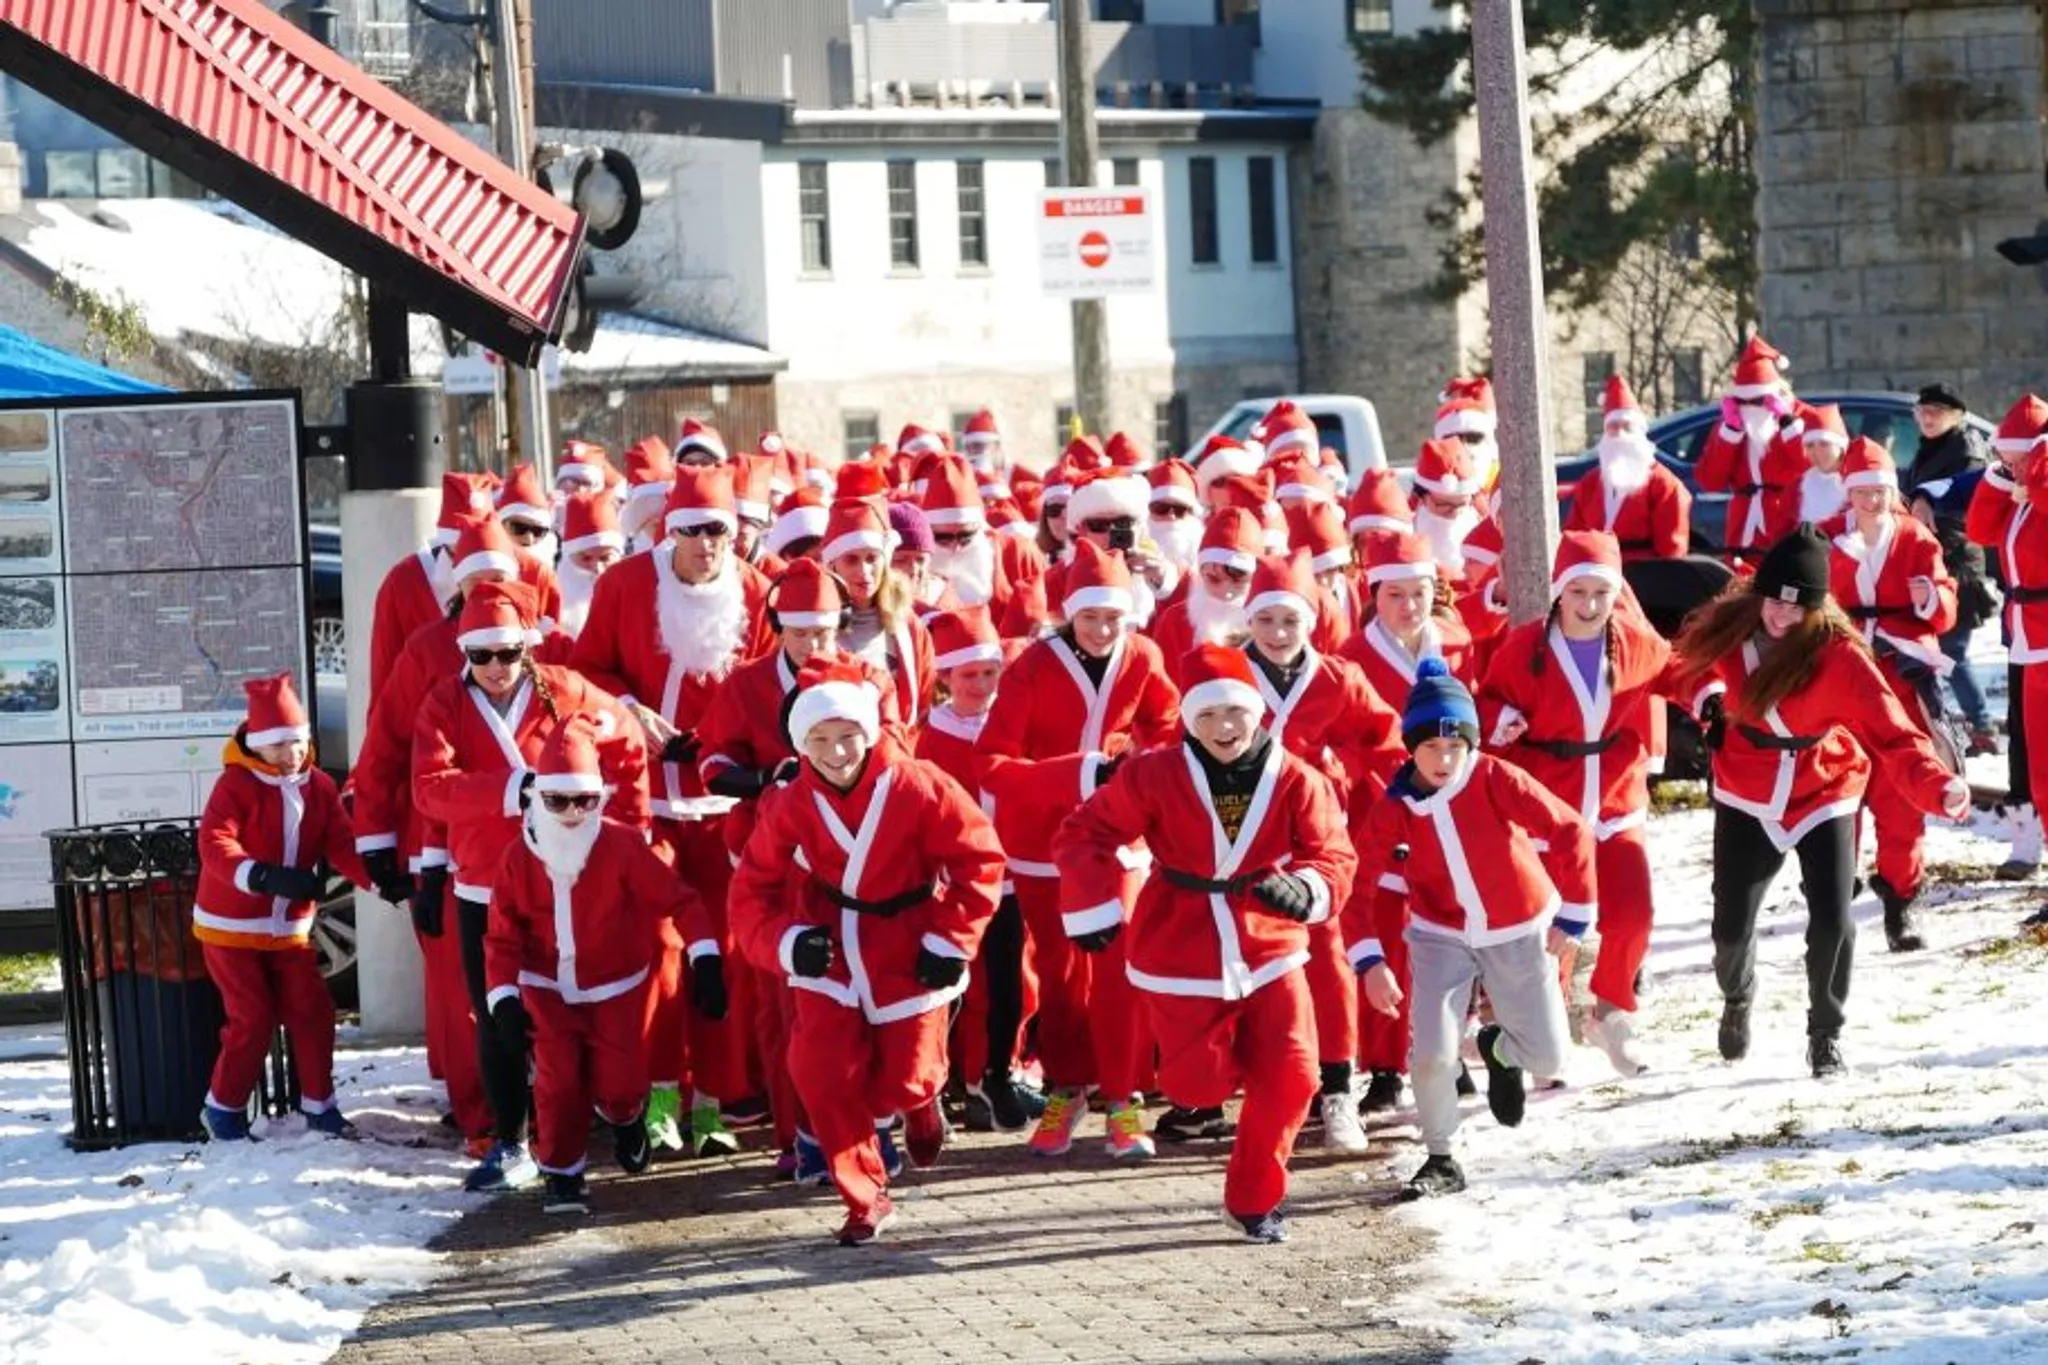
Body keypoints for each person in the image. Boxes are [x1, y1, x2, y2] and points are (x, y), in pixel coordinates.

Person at [1056, 644, 1356, 1242]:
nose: (1225, 727)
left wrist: (1306, 888)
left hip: (1269, 944)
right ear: (1189, 719)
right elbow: (1084, 831)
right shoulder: (1151, 772)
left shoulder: (1297, 778)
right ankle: (1213, 1076)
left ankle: (1253, 1202)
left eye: (1236, 713)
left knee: (1295, 1076)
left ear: (1258, 713)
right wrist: (1092, 902)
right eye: (1209, 715)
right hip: (1180, 945)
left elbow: (1334, 853)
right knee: (1198, 1085)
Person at [729, 653, 1004, 1245]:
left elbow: (979, 861)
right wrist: (785, 943)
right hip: (828, 944)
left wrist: (952, 938)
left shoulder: (920, 785)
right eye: (820, 739)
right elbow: (751, 890)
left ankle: (923, 1102)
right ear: (802, 742)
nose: (836, 752)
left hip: (910, 940)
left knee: (902, 1082)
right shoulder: (790, 804)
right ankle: (863, 1195)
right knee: (819, 1069)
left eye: (849, 736)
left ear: (871, 730)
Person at [1673, 528, 1970, 1078]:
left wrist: (1937, 785)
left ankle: (1825, 1032)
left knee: (1833, 920)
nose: (1782, 616)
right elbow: (1676, 669)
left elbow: (1894, 734)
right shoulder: (1728, 627)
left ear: (1818, 608)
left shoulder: (1840, 655)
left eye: (1798, 606)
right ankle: (1738, 995)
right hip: (1747, 785)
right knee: (1730, 928)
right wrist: (1708, 697)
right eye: (1775, 600)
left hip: (1824, 786)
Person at [413, 581, 650, 1190]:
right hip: (484, 889)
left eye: (507, 653)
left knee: (588, 1010)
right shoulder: (442, 702)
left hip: (565, 885)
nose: (494, 668)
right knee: (497, 1018)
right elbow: (429, 790)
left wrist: (626, 831)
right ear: (463, 653)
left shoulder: (567, 690)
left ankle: (614, 1111)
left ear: (528, 648)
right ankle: (510, 1140)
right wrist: (513, 790)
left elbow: (625, 744)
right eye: (480, 655)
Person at [571, 464, 773, 1159]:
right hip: (645, 802)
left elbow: (772, 687)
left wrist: (735, 748)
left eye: (719, 530)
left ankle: (712, 1104)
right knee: (658, 954)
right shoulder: (625, 586)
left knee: (722, 955)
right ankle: (661, 1098)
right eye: (692, 532)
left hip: (721, 808)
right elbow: (585, 670)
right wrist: (630, 713)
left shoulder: (753, 590)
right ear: (667, 531)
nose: (707, 545)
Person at [1345, 657, 1594, 1199]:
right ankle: (1440, 1157)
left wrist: (1575, 911)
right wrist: (1370, 962)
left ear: (1471, 744)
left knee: (1551, 1057)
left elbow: (1570, 829)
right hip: (1438, 935)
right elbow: (1357, 886)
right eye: (1431, 747)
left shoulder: (1495, 778)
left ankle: (1500, 1049)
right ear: (1411, 747)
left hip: (1517, 926)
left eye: (1455, 745)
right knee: (1431, 1050)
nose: (1444, 758)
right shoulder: (1394, 808)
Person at [977, 538, 1181, 1159]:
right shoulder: (1032, 667)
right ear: (1069, 614)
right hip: (1041, 844)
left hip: (1119, 840)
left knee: (1118, 969)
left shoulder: (1142, 656)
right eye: (1089, 617)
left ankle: (1121, 1099)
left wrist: (1143, 770)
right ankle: (1068, 1086)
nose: (1100, 629)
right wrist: (1080, 771)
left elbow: (1169, 726)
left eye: (1113, 617)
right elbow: (991, 765)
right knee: (1063, 978)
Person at [483, 719, 711, 1213]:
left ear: (599, 799)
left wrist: (706, 956)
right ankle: (563, 1174)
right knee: (558, 1080)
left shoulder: (623, 845)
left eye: (583, 800)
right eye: (557, 800)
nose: (570, 813)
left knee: (622, 1081)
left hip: (615, 987)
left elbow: (680, 900)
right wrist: (503, 999)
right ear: (538, 798)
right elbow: (501, 936)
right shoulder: (517, 856)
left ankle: (627, 1116)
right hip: (546, 987)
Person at [1478, 532, 1678, 1077]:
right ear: (1559, 593)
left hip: (1616, 797)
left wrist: (1710, 700)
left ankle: (1610, 1012)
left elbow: (1680, 672)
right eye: (1578, 592)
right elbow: (1486, 700)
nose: (1589, 606)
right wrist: (1499, 721)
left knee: (1634, 913)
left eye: (1601, 594)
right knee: (1555, 925)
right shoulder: (1524, 649)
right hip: (1553, 806)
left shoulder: (1632, 642)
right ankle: (1542, 1033)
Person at [1236, 551, 1400, 1150]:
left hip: (1319, 842)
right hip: (1241, 841)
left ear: (1313, 622)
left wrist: (1356, 770)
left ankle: (1337, 1090)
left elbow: (1385, 743)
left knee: (1330, 961)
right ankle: (1261, 1087)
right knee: (1247, 965)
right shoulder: (1226, 672)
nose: (1279, 635)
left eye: (1291, 621)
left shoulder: (1338, 678)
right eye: (1267, 621)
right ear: (1249, 622)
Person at [1339, 529, 1478, 1115]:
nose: (1409, 606)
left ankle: (1447, 1051)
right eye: (1394, 594)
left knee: (1450, 936)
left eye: (1419, 593)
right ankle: (1386, 1066)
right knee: (1385, 936)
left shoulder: (1457, 643)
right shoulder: (1351, 658)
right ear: (1375, 596)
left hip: (1448, 812)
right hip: (1380, 811)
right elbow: (1346, 741)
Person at [195, 675, 370, 1141]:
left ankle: (320, 1104)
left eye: (296, 742)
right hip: (230, 927)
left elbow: (340, 842)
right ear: (256, 745)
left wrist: (379, 880)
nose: (290, 753)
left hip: (288, 928)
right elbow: (214, 843)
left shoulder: (318, 786)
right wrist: (260, 875)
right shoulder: (235, 785)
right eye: (277, 745)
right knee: (251, 1017)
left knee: (313, 1010)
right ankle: (224, 1108)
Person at [1828, 437, 1958, 952]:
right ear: (1849, 495)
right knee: (1839, 789)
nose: (1873, 502)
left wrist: (1932, 600)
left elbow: (1945, 603)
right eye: (1862, 492)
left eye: (1880, 492)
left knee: (1902, 792)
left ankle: (1902, 901)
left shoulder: (1915, 539)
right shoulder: (1829, 543)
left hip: (1903, 677)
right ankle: (1834, 891)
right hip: (1847, 680)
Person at [914, 606, 1039, 1132]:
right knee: (964, 983)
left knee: (1014, 979)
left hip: (1010, 876)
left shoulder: (1013, 723)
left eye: (990, 673)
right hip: (956, 881)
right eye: (969, 675)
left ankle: (999, 1071)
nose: (982, 685)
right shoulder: (930, 735)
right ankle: (959, 1079)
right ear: (945, 677)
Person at [1967, 394, 2048, 918]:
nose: (2010, 464)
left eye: (2019, 456)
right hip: (2027, 640)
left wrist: (2035, 471)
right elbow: (1978, 530)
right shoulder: (2021, 496)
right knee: (2041, 769)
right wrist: (2003, 477)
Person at [1904, 384, 1997, 754]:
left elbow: (1972, 504)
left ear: (1956, 416)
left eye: (1937, 412)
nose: (1928, 418)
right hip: (1933, 562)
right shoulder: (1929, 450)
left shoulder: (1967, 450)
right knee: (1938, 653)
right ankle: (1952, 724)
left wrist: (1930, 507)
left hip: (1959, 566)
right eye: (1923, 411)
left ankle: (1983, 728)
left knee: (1953, 654)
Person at [821, 498, 936, 724]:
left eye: (872, 558)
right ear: (833, 566)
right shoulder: (816, 623)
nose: (864, 571)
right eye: (851, 560)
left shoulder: (908, 624)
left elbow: (925, 701)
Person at [1695, 336, 1806, 563]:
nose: (1749, 407)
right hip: (1743, 526)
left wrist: (1787, 424)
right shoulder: (1729, 426)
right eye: (1741, 401)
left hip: (1786, 519)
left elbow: (1811, 467)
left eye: (1758, 401)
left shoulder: (1802, 419)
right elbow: (1711, 481)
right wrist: (1731, 433)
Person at [1564, 374, 1690, 560]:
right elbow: (1574, 536)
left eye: (1627, 427)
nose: (1620, 434)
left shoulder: (1663, 483)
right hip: (1597, 576)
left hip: (1645, 572)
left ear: (1640, 433)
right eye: (1613, 426)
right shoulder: (1590, 482)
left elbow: (1672, 550)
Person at [1148, 507, 1264, 673]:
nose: (1227, 592)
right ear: (1201, 572)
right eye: (1214, 579)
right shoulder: (1175, 621)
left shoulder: (1270, 621)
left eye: (1239, 580)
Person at [554, 487, 626, 642]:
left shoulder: (639, 599)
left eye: (605, 558)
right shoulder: (550, 607)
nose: (597, 569)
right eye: (586, 559)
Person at [1794, 403, 1850, 526]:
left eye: (1824, 444)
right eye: (1810, 446)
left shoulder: (1857, 482)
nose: (1817, 451)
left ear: (1841, 446)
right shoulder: (1799, 483)